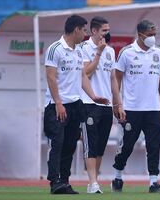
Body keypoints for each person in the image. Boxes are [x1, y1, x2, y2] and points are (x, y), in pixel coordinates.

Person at [43, 15, 109, 194]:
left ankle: (64, 181)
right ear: (76, 30)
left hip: (75, 104)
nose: (86, 34)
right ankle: (54, 181)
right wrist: (58, 103)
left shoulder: (79, 51)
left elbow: (82, 77)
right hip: (57, 105)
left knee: (70, 145)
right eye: (84, 30)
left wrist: (94, 96)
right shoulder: (55, 49)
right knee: (57, 143)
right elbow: (50, 76)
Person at [111, 20, 160, 193]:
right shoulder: (126, 52)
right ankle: (118, 177)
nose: (153, 38)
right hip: (131, 109)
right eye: (150, 35)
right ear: (140, 35)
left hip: (154, 109)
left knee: (153, 147)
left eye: (154, 34)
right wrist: (118, 104)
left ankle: (153, 182)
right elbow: (116, 78)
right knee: (127, 146)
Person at [80, 16, 125, 194]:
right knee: (90, 143)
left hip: (106, 106)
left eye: (108, 30)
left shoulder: (111, 51)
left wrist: (118, 104)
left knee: (100, 146)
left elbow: (113, 79)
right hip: (89, 103)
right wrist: (98, 53)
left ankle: (95, 181)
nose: (108, 33)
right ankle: (92, 182)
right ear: (94, 31)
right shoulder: (83, 48)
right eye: (104, 31)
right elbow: (85, 73)